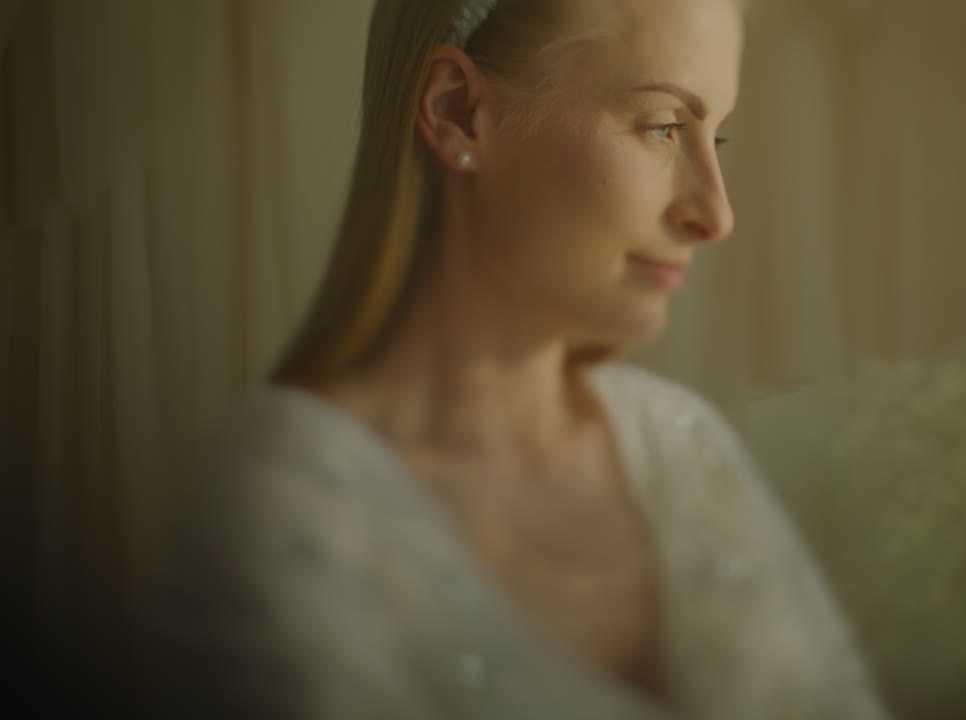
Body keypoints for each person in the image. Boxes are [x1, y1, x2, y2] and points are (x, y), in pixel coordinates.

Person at [144, 0, 892, 718]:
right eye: (663, 127)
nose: (716, 214)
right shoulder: (289, 505)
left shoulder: (678, 440)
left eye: (715, 139)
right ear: (458, 111)